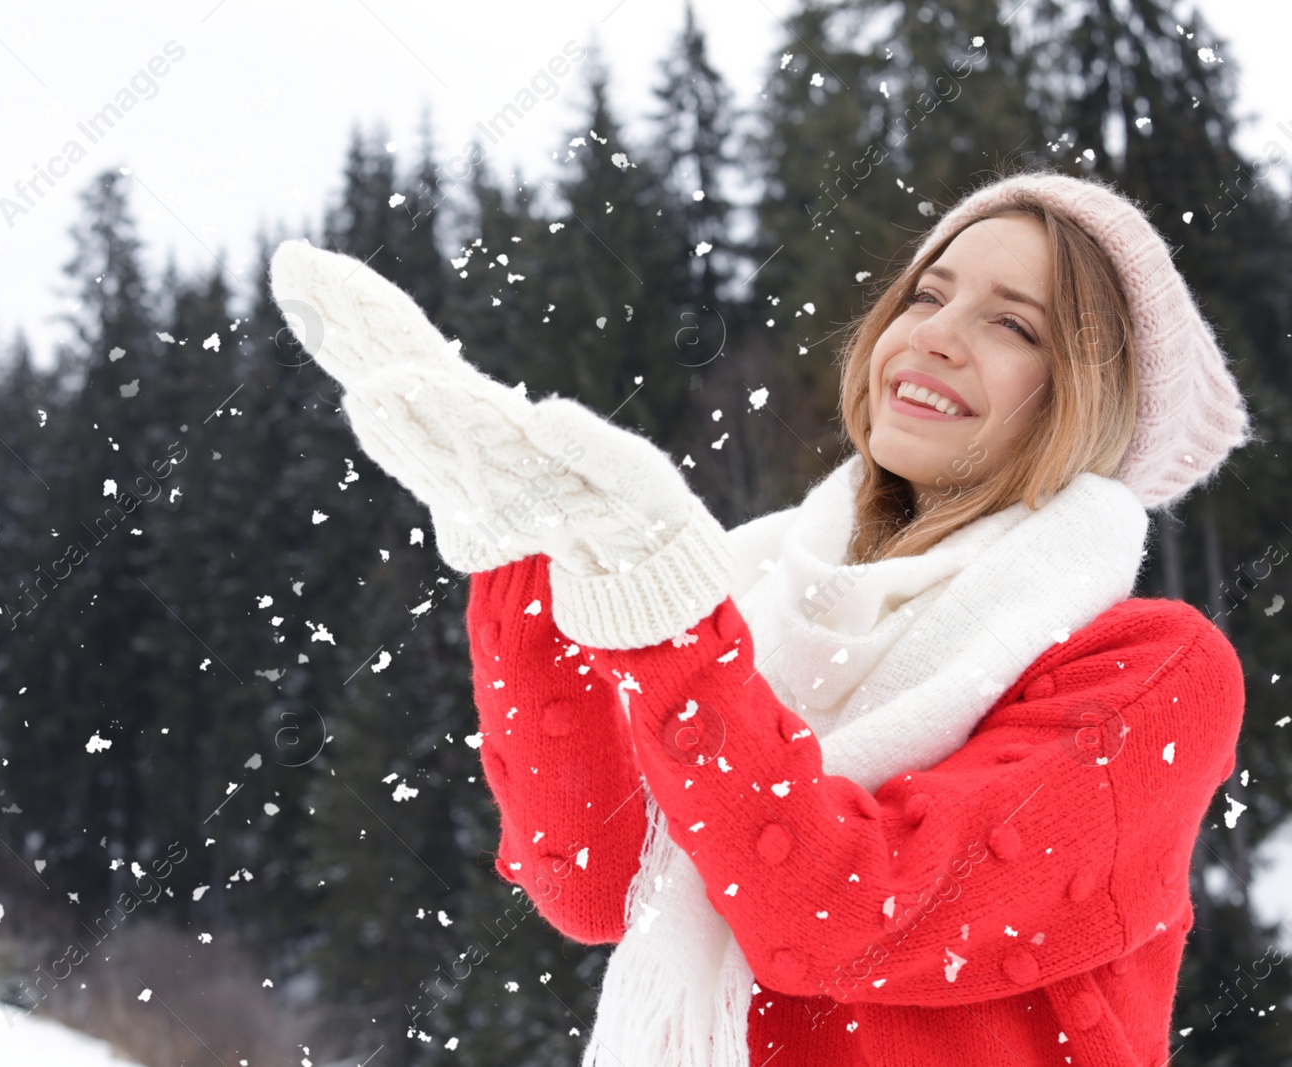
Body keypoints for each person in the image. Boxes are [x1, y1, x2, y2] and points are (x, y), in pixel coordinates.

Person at [268, 169, 1251, 1066]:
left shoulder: (1151, 670)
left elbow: (844, 910)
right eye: (927, 290)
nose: (936, 333)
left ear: (1094, 404)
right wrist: (521, 535)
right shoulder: (762, 588)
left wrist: (665, 620)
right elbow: (595, 875)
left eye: (1014, 325)